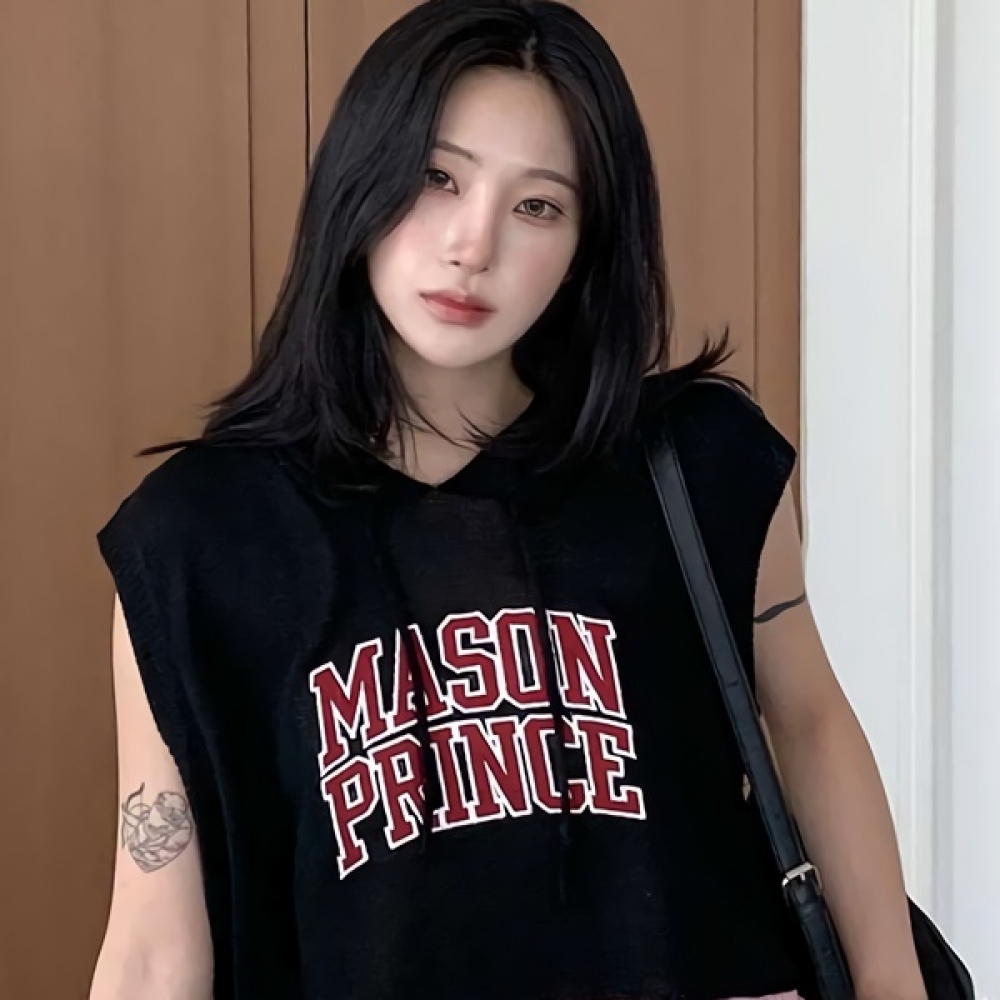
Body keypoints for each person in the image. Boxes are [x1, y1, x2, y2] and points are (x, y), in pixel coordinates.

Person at [88, 2, 928, 999]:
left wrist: (893, 985)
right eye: (437, 177)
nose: (471, 245)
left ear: (586, 244)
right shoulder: (196, 539)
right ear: (360, 176)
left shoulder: (694, 465)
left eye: (538, 206)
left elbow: (811, 726)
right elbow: (153, 940)